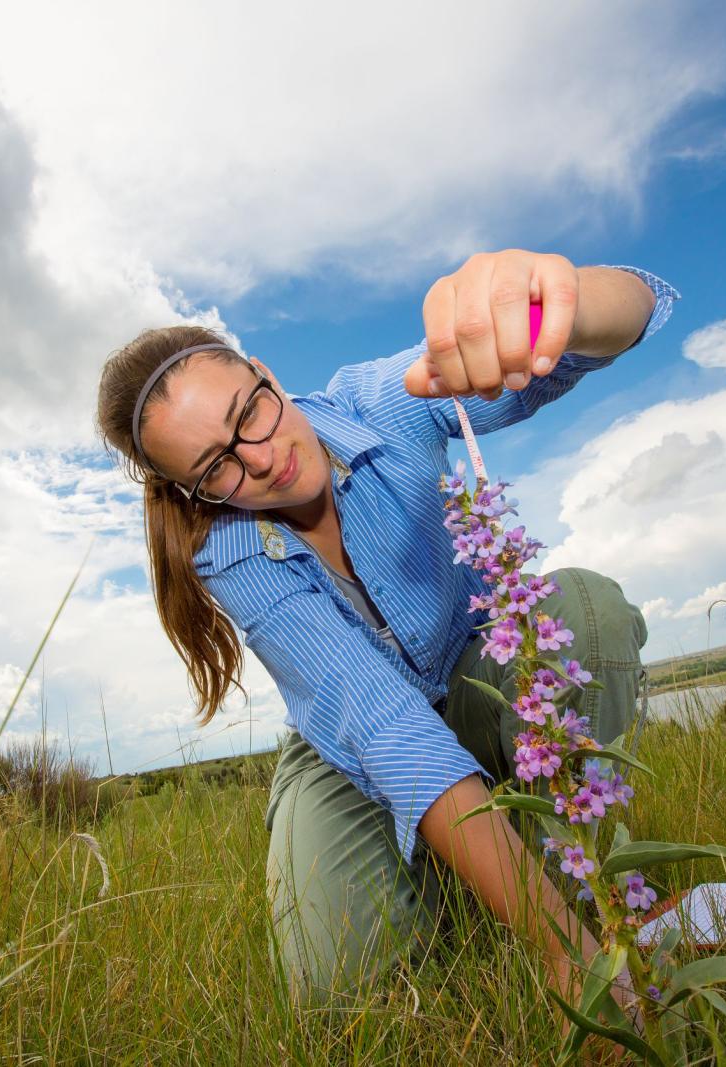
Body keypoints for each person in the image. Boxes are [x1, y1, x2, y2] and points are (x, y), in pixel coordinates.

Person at [94, 249, 677, 1013]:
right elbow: (385, 726)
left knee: (581, 609)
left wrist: (555, 300)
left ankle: (591, 893)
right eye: (218, 467)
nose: (262, 460)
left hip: (477, 671)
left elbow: (617, 323)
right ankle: (481, 888)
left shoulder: (381, 399)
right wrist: (558, 954)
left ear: (266, 371)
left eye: (250, 412)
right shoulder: (227, 551)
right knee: (335, 992)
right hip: (352, 757)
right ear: (188, 489)